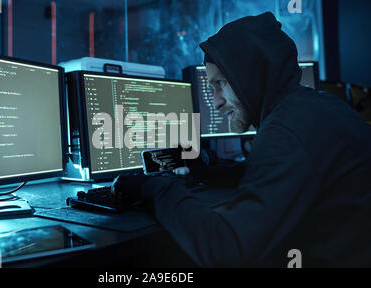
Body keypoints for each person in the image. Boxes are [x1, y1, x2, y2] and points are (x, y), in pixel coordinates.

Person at [113, 12, 371, 267]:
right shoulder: (314, 108)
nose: (215, 102)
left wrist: (155, 188)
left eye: (221, 83)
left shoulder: (286, 132)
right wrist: (212, 174)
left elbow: (226, 249)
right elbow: (289, 175)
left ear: (252, 76)